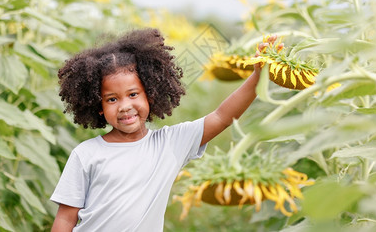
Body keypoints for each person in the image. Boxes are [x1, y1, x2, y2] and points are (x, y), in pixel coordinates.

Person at [50, 28, 262, 231]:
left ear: (150, 94)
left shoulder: (170, 144)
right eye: (112, 99)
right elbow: (65, 218)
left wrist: (257, 77)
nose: (125, 106)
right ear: (99, 107)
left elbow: (221, 117)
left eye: (133, 94)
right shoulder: (86, 154)